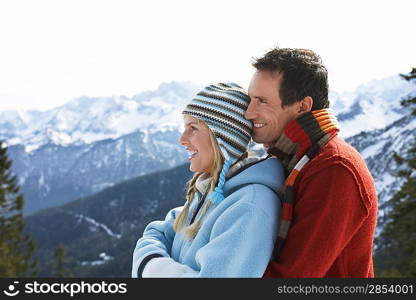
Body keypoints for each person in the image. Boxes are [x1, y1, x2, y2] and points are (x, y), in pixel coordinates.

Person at [245, 47, 378, 277]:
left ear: (302, 106)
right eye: (250, 99)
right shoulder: (295, 158)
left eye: (262, 101)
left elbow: (289, 278)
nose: (248, 113)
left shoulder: (334, 168)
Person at [131, 82, 284, 277]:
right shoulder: (212, 190)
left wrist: (153, 268)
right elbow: (158, 232)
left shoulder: (249, 208)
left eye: (193, 128)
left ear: (222, 138)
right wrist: (152, 261)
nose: (182, 139)